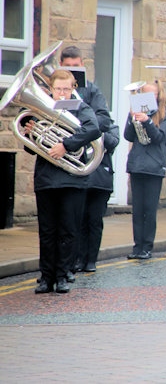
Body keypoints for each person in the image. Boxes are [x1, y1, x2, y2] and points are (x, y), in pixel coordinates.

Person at [25, 69, 101, 293]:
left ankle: (62, 276)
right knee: (47, 231)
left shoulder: (81, 107)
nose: (62, 93)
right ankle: (46, 277)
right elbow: (29, 148)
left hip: (71, 180)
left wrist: (66, 145)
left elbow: (93, 128)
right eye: (58, 89)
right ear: (50, 89)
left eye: (66, 89)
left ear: (72, 89)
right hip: (47, 179)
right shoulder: (41, 108)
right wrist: (30, 132)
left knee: (68, 230)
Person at [59, 46, 120, 275]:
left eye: (77, 66)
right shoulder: (56, 91)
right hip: (68, 160)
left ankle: (89, 259)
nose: (73, 71)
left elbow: (104, 121)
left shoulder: (92, 91)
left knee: (93, 219)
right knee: (73, 219)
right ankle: (70, 262)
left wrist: (83, 120)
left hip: (92, 162)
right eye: (69, 67)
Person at [124, 80, 166, 260]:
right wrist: (132, 118)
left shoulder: (165, 114)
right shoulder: (136, 112)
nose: (150, 98)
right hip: (137, 165)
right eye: (146, 94)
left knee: (149, 210)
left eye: (153, 94)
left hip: (154, 167)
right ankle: (137, 247)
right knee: (137, 209)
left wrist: (148, 122)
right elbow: (128, 136)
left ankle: (147, 247)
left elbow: (159, 138)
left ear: (159, 96)